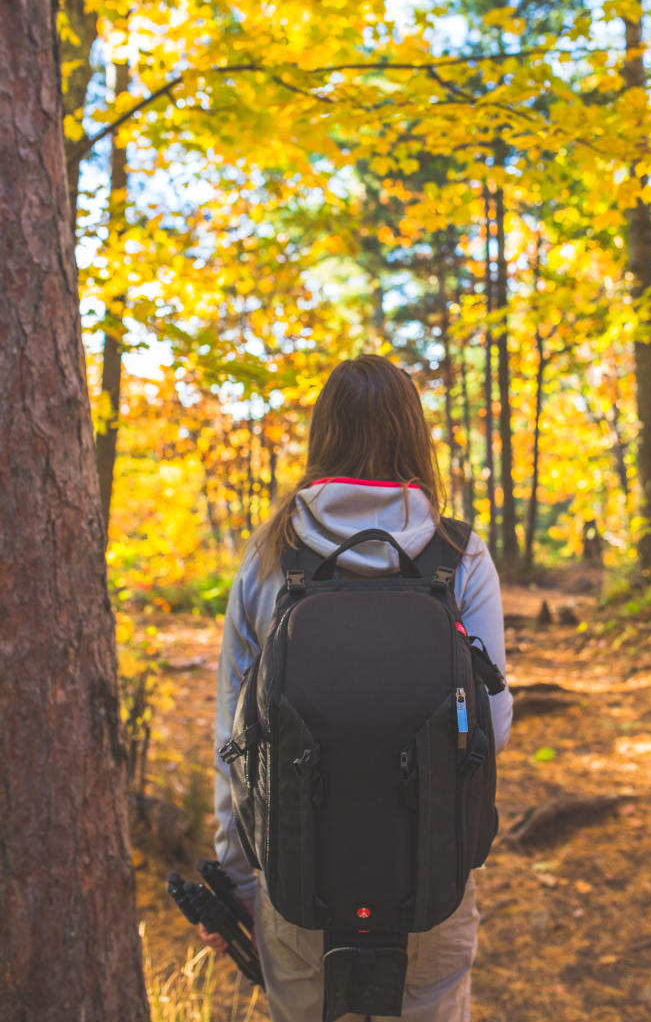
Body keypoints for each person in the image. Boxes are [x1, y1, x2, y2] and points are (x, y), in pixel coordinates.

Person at [203, 354, 513, 1021]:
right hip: (430, 882)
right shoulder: (460, 557)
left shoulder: (269, 555)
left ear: (323, 437)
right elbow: (495, 726)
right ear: (414, 437)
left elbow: (234, 736)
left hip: (298, 881)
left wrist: (234, 878)